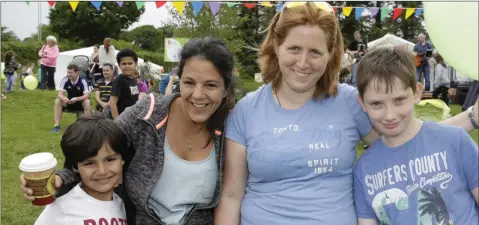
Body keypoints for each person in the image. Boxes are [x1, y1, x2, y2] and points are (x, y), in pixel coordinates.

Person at [214, 2, 479, 225]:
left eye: (315, 52)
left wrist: (472, 117)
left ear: (331, 54)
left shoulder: (351, 102)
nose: (303, 63)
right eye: (294, 49)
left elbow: (410, 139)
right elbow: (231, 196)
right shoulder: (246, 110)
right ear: (276, 45)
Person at [21, 37, 237, 225]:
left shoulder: (233, 128)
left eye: (210, 85)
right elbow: (95, 148)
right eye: (189, 82)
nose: (197, 95)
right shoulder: (148, 114)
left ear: (226, 87)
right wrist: (61, 179)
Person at [353, 46, 479, 225]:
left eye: (399, 100)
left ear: (417, 93)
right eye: (376, 104)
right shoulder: (363, 170)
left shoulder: (456, 141)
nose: (390, 115)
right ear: (362, 103)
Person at [35, 114, 127, 225]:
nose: (102, 171)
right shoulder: (61, 208)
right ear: (75, 167)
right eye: (89, 163)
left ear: (122, 160)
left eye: (110, 160)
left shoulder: (124, 205)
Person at [51, 64, 92, 133]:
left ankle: (86, 127)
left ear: (77, 72)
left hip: (80, 103)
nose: (69, 74)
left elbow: (86, 96)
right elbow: (60, 94)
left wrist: (76, 99)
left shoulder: (83, 81)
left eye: (71, 73)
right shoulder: (65, 79)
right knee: (58, 100)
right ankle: (56, 126)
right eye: (68, 72)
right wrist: (64, 98)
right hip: (69, 102)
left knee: (87, 102)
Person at [108, 49, 139, 120]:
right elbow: (112, 103)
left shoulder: (134, 79)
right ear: (119, 65)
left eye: (130, 63)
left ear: (135, 64)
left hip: (131, 118)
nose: (127, 66)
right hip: (121, 120)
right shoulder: (119, 80)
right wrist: (117, 121)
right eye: (124, 64)